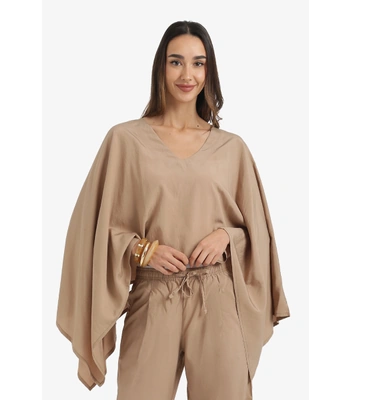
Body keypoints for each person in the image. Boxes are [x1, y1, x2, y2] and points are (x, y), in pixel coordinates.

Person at [56, 20, 290, 400]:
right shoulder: (125, 140)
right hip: (152, 296)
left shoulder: (232, 149)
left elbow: (259, 235)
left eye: (198, 63)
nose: (187, 75)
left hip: (217, 298)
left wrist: (226, 236)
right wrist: (141, 249)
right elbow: (91, 230)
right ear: (160, 68)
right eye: (176, 62)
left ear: (209, 71)